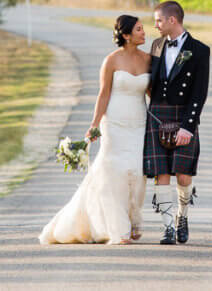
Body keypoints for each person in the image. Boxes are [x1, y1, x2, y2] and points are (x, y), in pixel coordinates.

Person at [38, 15, 150, 244]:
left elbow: (152, 94)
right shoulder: (111, 61)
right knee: (114, 174)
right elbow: (104, 94)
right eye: (139, 29)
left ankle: (133, 220)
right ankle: (118, 230)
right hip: (115, 123)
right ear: (126, 35)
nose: (144, 33)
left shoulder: (149, 60)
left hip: (139, 123)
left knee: (138, 173)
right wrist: (95, 124)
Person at [144, 0, 210, 244]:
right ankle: (168, 227)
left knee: (183, 175)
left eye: (159, 20)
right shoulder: (157, 45)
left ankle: (182, 217)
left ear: (173, 20)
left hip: (183, 117)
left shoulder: (200, 50)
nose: (155, 24)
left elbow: (199, 93)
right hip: (158, 115)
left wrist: (188, 127)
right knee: (160, 173)